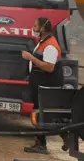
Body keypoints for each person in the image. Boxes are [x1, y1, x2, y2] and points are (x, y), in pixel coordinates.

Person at [22, 17, 66, 154]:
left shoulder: (50, 45)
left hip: (45, 86)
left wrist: (31, 58)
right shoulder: (43, 42)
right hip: (39, 85)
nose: (33, 28)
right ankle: (64, 137)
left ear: (42, 28)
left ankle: (42, 144)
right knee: (44, 115)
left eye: (35, 26)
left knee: (40, 115)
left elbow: (49, 67)